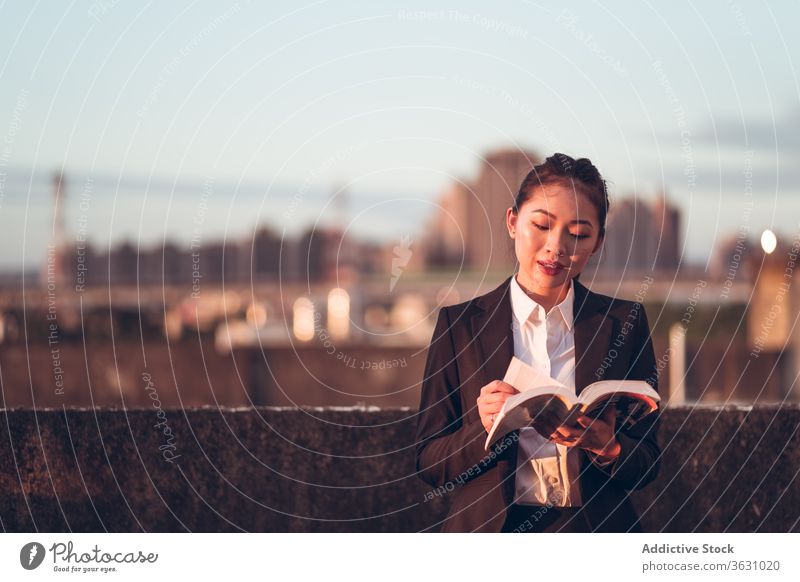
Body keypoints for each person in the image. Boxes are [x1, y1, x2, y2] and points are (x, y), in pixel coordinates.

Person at [415, 153, 660, 533]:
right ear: (513, 222)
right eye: (542, 225)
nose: (557, 247)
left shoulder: (624, 323)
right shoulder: (460, 325)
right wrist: (484, 427)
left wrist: (608, 447)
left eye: (578, 234)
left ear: (597, 244)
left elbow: (648, 460)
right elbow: (429, 462)